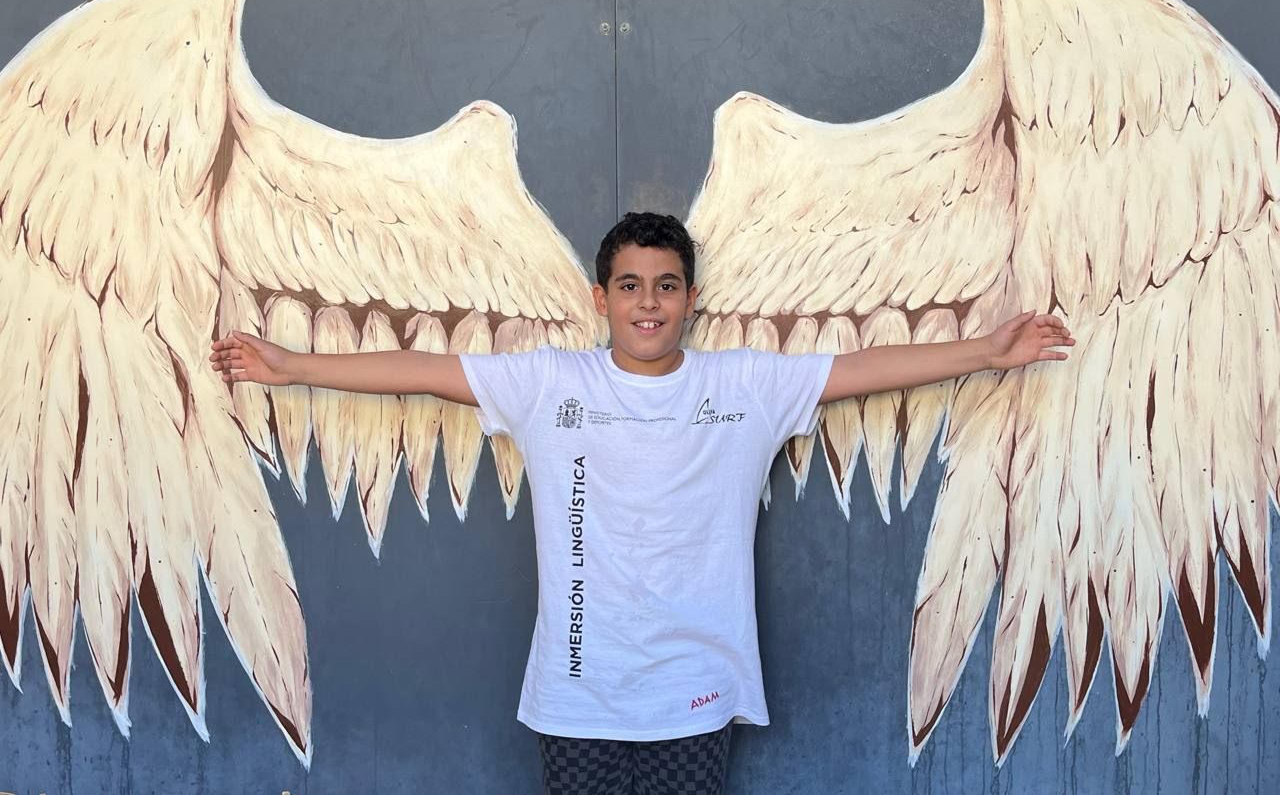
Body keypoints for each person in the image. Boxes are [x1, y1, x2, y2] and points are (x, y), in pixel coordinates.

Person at [209, 212, 1073, 795]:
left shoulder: (744, 385)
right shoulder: (550, 383)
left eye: (665, 284)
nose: (648, 302)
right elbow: (421, 372)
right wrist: (290, 365)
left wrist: (986, 352)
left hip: (695, 688)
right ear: (602, 298)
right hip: (577, 691)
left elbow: (863, 370)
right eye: (629, 285)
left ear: (690, 298)